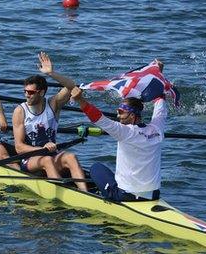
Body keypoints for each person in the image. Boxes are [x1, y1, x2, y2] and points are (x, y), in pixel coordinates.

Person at [70, 60, 166, 201]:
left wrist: (80, 100)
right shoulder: (157, 128)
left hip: (126, 196)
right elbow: (160, 101)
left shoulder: (126, 133)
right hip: (154, 195)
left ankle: (99, 197)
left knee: (96, 168)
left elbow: (99, 118)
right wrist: (157, 74)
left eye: (121, 112)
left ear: (132, 115)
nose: (117, 115)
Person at [12, 52, 88, 191]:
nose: (26, 95)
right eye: (25, 91)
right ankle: (63, 193)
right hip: (30, 159)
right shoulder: (20, 111)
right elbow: (19, 147)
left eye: (30, 92)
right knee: (47, 160)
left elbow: (72, 86)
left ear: (41, 93)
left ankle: (85, 193)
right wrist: (42, 149)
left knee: (71, 157)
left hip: (52, 155)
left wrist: (51, 73)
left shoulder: (53, 104)